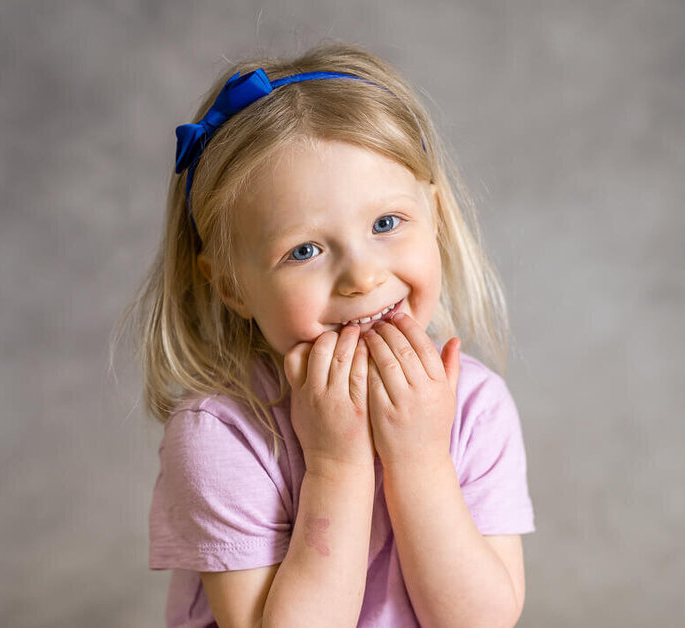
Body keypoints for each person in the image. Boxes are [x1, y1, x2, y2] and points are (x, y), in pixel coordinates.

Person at [123, 40, 535, 627]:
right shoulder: (220, 436)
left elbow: (479, 620)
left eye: (386, 223)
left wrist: (419, 458)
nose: (362, 276)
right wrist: (335, 465)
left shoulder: (473, 406)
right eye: (306, 250)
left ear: (436, 221)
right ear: (232, 284)